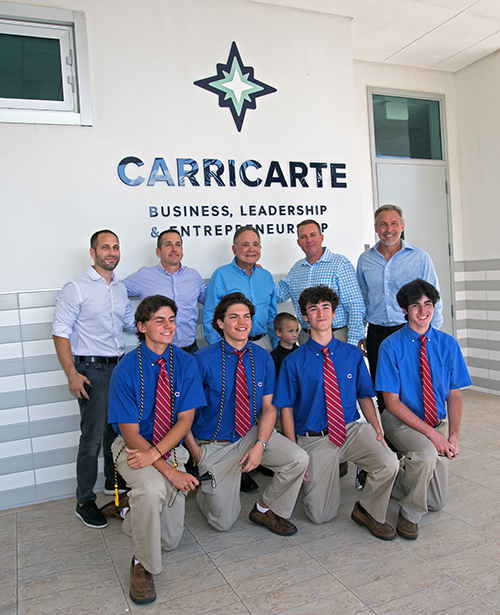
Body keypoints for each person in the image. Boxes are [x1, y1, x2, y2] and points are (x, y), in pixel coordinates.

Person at [274, 285, 399, 540]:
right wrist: (293, 449)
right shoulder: (293, 361)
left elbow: (364, 395)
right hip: (315, 437)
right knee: (320, 515)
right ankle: (324, 484)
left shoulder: (351, 354)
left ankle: (368, 510)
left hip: (350, 429)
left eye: (326, 308)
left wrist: (377, 428)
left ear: (334, 314)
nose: (320, 313)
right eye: (313, 309)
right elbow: (285, 407)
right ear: (305, 317)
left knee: (388, 462)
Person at [107, 295, 206, 604]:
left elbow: (186, 418)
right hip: (133, 447)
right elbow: (129, 432)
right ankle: (142, 565)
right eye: (159, 320)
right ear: (141, 326)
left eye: (172, 320)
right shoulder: (125, 368)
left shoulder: (187, 362)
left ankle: (128, 511)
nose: (168, 326)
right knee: (152, 490)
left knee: (170, 540)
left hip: (169, 446)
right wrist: (164, 469)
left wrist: (160, 456)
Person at [184, 292, 309, 536]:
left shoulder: (262, 357)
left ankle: (266, 508)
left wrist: (261, 444)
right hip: (214, 445)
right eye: (234, 317)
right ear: (220, 323)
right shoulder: (200, 361)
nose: (242, 322)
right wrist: (197, 452)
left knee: (298, 459)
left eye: (246, 317)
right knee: (222, 523)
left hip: (250, 434)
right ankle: (206, 489)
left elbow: (269, 407)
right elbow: (182, 414)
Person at [52, 230, 136, 529]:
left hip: (119, 368)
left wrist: (158, 320)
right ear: (93, 252)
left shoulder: (120, 288)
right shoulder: (76, 287)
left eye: (115, 247)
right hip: (91, 370)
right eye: (105, 247)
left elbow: (129, 323)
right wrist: (72, 374)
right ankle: (84, 500)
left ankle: (113, 489)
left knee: (115, 433)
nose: (111, 252)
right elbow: (60, 332)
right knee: (90, 439)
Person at [376, 279, 472, 540]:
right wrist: (433, 436)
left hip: (434, 421)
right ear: (405, 310)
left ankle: (389, 476)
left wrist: (452, 436)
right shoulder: (390, 346)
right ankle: (409, 513)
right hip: (399, 420)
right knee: (428, 455)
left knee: (437, 502)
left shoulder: (447, 344)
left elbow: (454, 395)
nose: (423, 311)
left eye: (428, 304)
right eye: (415, 305)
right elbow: (391, 403)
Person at [357, 204, 443, 409]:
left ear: (402, 226)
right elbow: (362, 299)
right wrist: (362, 333)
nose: (389, 229)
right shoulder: (365, 260)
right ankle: (389, 439)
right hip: (377, 334)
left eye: (394, 223)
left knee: (413, 386)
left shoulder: (420, 257)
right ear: (376, 228)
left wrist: (433, 335)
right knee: (383, 391)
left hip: (410, 332)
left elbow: (434, 298)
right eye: (383, 224)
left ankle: (417, 437)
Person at [275, 219, 365, 346]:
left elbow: (355, 306)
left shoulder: (339, 264)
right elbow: (279, 294)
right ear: (298, 242)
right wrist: (259, 273)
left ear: (321, 237)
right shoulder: (297, 269)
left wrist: (353, 343)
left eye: (313, 235)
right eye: (303, 237)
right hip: (307, 338)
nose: (309, 240)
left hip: (337, 337)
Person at [123, 228, 206, 353]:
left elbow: (212, 301)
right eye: (168, 245)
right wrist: (130, 323)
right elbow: (115, 291)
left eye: (178, 244)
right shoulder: (144, 276)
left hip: (190, 351)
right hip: (158, 353)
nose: (174, 249)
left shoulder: (194, 277)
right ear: (158, 251)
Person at [203, 226, 278, 351]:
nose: (251, 249)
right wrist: (222, 348)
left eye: (255, 244)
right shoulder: (221, 275)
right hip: (231, 346)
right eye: (245, 245)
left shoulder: (266, 276)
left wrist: (277, 345)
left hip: (264, 345)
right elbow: (210, 317)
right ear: (234, 250)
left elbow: (272, 316)